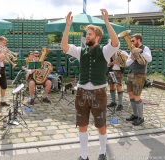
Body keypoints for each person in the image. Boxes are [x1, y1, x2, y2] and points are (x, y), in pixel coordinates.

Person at [61, 9, 120, 160]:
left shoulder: (105, 51)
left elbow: (115, 42)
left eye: (90, 34)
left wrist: (106, 21)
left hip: (99, 93)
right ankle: (84, 155)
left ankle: (102, 151)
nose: (87, 36)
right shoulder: (81, 51)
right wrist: (67, 26)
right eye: (86, 34)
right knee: (82, 124)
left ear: (98, 37)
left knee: (101, 124)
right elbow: (64, 47)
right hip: (81, 92)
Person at [126, 33, 152, 126]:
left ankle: (141, 118)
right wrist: (132, 58)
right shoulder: (132, 50)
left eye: (133, 40)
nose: (131, 42)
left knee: (137, 96)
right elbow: (127, 63)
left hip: (139, 75)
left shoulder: (145, 48)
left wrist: (140, 51)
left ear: (138, 40)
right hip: (131, 74)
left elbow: (149, 59)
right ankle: (135, 114)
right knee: (131, 94)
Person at [0, 36, 10, 107]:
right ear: (0, 41)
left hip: (2, 68)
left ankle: (2, 101)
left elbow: (6, 61)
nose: (5, 44)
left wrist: (6, 54)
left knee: (4, 86)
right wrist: (3, 53)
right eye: (4, 43)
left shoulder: (3, 49)